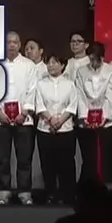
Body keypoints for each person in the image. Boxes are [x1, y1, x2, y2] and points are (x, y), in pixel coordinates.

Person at [0, 31, 39, 205]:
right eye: (8, 42)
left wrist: (24, 113)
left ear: (19, 45)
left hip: (23, 119)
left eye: (15, 42)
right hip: (0, 119)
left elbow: (33, 90)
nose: (11, 45)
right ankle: (3, 192)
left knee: (24, 158)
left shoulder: (29, 65)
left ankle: (25, 193)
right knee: (1, 158)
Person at [74, 42, 112, 186]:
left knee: (108, 156)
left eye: (96, 59)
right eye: (90, 59)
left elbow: (111, 95)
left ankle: (109, 186)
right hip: (86, 120)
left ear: (102, 58)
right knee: (89, 157)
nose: (93, 63)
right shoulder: (81, 71)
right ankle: (89, 187)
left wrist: (104, 117)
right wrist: (85, 117)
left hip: (106, 121)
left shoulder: (111, 71)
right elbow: (80, 95)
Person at [34, 54, 79, 204]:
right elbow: (39, 105)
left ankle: (68, 194)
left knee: (66, 163)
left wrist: (60, 121)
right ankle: (50, 193)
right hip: (45, 129)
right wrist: (51, 119)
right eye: (49, 62)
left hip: (65, 129)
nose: (51, 65)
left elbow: (72, 105)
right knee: (47, 163)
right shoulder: (40, 84)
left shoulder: (70, 84)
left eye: (55, 62)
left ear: (63, 65)